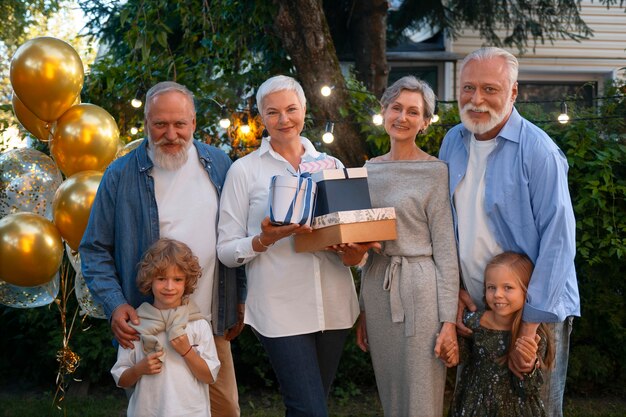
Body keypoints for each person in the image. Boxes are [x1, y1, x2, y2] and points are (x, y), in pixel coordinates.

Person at [80, 81, 245, 417]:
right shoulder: (120, 174)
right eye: (160, 124)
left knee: (224, 407)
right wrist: (115, 304)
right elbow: (94, 249)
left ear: (194, 123)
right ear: (146, 124)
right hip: (148, 326)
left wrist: (239, 297)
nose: (171, 134)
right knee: (155, 408)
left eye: (180, 124)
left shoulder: (220, 165)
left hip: (208, 322)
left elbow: (237, 236)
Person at [217, 75, 371, 417]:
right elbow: (225, 250)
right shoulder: (245, 172)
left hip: (333, 306)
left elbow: (353, 245)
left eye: (291, 109)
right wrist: (265, 239)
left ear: (305, 110)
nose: (284, 119)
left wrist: (355, 254)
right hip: (279, 309)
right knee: (308, 409)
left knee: (309, 406)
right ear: (261, 117)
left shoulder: (331, 166)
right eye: (273, 112)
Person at [439, 46, 580, 417]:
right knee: (475, 406)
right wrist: (453, 290)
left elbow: (559, 242)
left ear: (513, 93)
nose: (476, 99)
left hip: (533, 312)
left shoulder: (539, 152)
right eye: (468, 88)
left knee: (535, 409)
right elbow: (446, 224)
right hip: (479, 307)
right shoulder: (453, 141)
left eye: (490, 89)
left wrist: (529, 328)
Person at [344, 75, 459, 416]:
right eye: (396, 108)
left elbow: (446, 250)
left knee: (421, 396)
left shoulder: (435, 172)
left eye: (413, 111)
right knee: (391, 393)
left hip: (420, 289)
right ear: (383, 112)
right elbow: (363, 249)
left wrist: (448, 321)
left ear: (425, 122)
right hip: (379, 289)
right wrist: (364, 309)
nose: (402, 117)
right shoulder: (367, 170)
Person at [111, 238, 221, 417]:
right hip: (147, 411)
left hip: (191, 412)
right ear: (150, 280)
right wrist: (139, 369)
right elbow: (121, 379)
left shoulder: (197, 324)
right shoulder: (136, 325)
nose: (169, 287)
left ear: (187, 282)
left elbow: (210, 376)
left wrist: (187, 351)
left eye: (177, 279)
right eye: (161, 278)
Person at [449, 251, 554, 417]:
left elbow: (528, 389)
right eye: (491, 287)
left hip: (516, 407)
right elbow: (462, 356)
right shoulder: (474, 320)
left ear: (526, 291)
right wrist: (453, 348)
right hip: (475, 403)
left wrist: (529, 367)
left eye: (508, 288)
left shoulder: (533, 335)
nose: (497, 294)